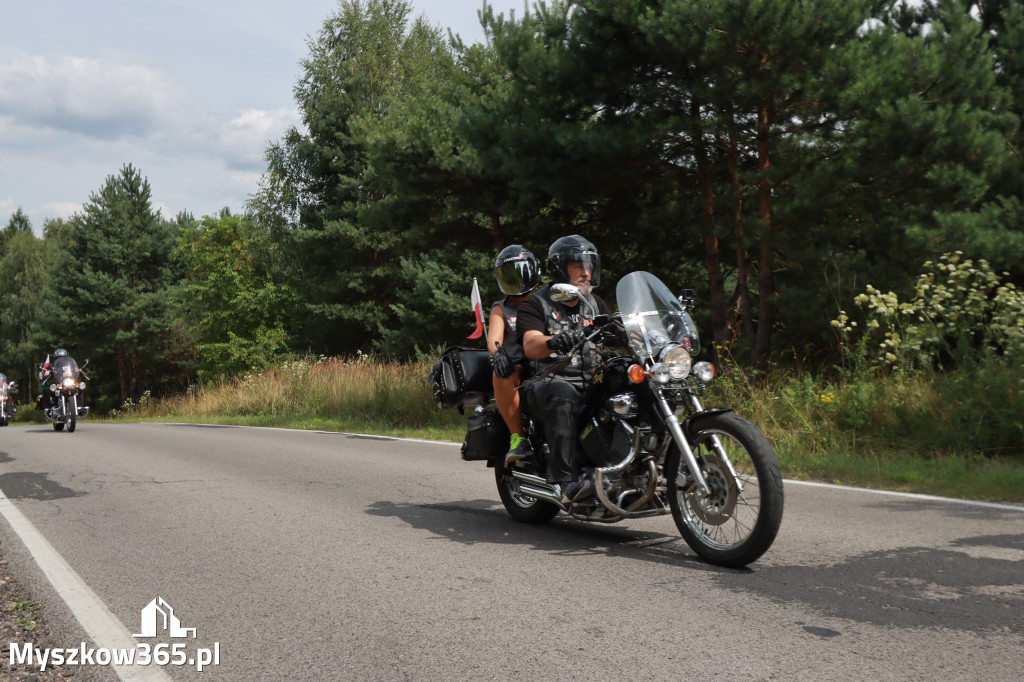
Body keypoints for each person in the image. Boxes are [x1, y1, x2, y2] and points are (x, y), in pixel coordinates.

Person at [516, 235, 612, 504]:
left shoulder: (594, 303)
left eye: (589, 265)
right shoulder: (536, 304)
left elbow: (620, 330)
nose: (586, 272)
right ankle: (566, 482)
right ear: (560, 269)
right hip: (547, 382)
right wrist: (553, 340)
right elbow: (531, 345)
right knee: (562, 394)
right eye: (578, 266)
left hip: (591, 382)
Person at [488, 245, 543, 465]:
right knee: (501, 373)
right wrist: (498, 353)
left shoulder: (544, 302)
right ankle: (518, 437)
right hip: (519, 366)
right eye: (508, 275)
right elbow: (494, 338)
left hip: (546, 362)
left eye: (519, 272)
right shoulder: (501, 308)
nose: (515, 280)